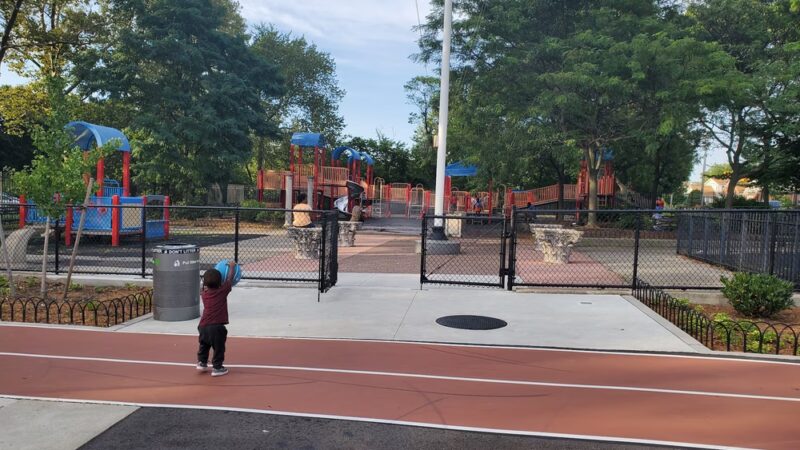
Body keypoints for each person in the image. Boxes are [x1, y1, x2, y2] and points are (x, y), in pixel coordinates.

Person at [196, 260, 235, 377]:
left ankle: (202, 363)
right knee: (219, 348)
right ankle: (217, 368)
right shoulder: (222, 291)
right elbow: (230, 279)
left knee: (204, 345)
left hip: (203, 326)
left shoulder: (204, 293)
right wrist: (232, 267)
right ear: (220, 282)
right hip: (217, 327)